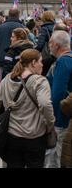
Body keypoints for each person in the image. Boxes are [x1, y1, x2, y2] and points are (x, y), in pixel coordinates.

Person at [0, 49, 55, 168]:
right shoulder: (40, 81)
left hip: (11, 135)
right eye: (40, 62)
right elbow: (44, 104)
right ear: (33, 63)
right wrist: (50, 123)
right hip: (34, 136)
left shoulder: (7, 79)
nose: (42, 65)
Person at [45, 31, 72, 168]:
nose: (49, 46)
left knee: (53, 155)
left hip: (59, 117)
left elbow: (58, 94)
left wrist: (52, 118)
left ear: (56, 45)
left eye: (50, 42)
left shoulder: (63, 61)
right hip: (65, 115)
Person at [0, 8, 25, 85]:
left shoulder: (0, 28)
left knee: (4, 83)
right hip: (17, 58)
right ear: (18, 15)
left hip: (3, 59)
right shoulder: (22, 27)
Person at [36, 11, 56, 75]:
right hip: (57, 54)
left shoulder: (44, 28)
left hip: (47, 56)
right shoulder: (57, 27)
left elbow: (40, 45)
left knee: (44, 74)